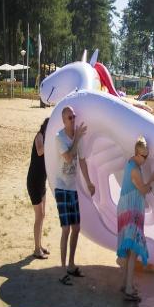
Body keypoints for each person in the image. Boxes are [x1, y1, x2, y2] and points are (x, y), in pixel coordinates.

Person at [55, 106, 96, 286]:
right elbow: (69, 158)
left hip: (72, 188)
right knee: (66, 229)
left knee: (77, 228)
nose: (73, 120)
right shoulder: (59, 137)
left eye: (74, 117)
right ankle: (62, 270)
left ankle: (71, 265)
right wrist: (77, 138)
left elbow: (82, 161)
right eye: (70, 118)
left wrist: (89, 182)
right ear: (64, 120)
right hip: (61, 188)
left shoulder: (78, 137)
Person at [117, 137, 154, 301]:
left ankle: (125, 284)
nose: (145, 160)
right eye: (144, 156)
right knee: (133, 250)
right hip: (131, 209)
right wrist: (152, 180)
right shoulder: (134, 169)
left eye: (147, 156)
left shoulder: (132, 162)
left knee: (129, 248)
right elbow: (142, 190)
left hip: (128, 208)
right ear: (136, 153)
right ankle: (128, 288)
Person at [26, 118, 50, 259]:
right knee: (39, 216)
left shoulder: (48, 139)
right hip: (34, 181)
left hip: (41, 182)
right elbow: (40, 151)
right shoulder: (39, 136)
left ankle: (39, 245)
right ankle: (36, 249)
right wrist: (50, 140)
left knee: (42, 215)